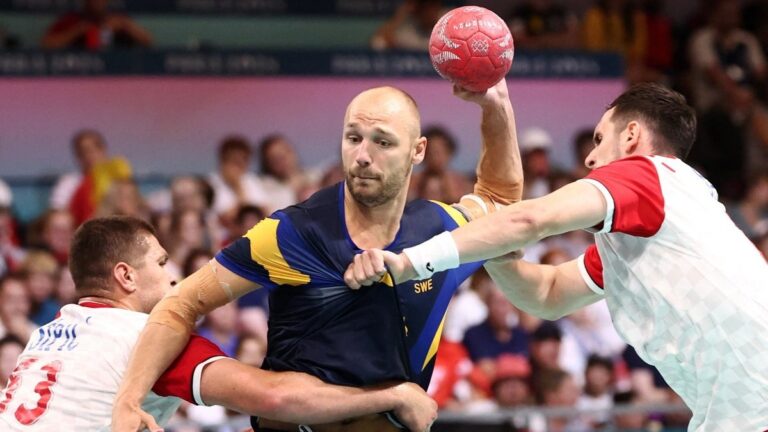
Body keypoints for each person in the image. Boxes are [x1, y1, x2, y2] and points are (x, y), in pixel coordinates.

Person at [347, 83, 768, 430]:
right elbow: (547, 295)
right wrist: (498, 255)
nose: (589, 157)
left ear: (633, 136)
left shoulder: (647, 173)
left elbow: (530, 220)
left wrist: (411, 261)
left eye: (600, 139)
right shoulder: (650, 234)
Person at [112, 80, 523, 431]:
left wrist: (496, 106)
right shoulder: (294, 232)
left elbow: (500, 205)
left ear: (418, 152)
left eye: (383, 142)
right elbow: (181, 302)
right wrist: (129, 399)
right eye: (353, 137)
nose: (363, 155)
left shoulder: (439, 230)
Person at [0, 216, 435, 431]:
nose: (173, 278)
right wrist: (394, 394)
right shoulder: (138, 336)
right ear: (125, 276)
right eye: (162, 262)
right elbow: (276, 399)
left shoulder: (48, 335)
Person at [41, 0, 152, 50]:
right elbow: (46, 44)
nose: (97, 2)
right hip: (81, 75)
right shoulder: (72, 20)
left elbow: (148, 41)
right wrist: (76, 32)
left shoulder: (119, 21)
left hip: (118, 73)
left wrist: (126, 26)